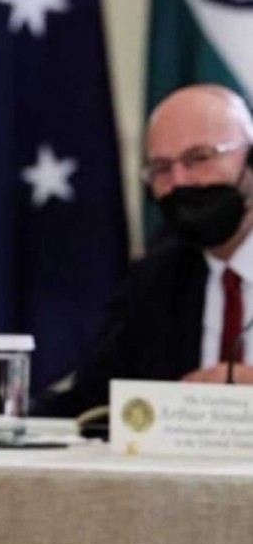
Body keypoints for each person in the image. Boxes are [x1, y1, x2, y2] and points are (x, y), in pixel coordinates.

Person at [35, 84, 253, 417]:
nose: (179, 182)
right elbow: (91, 399)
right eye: (162, 169)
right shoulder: (155, 278)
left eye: (199, 159)